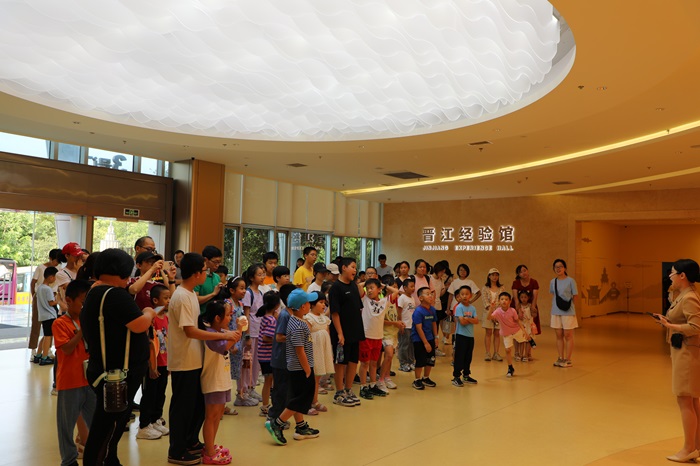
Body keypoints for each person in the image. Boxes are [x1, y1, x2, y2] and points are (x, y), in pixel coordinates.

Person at [80, 248, 155, 466]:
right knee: (107, 425)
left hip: (107, 369)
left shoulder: (96, 291)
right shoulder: (114, 295)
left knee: (111, 423)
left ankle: (110, 460)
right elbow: (139, 324)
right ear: (122, 271)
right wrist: (149, 312)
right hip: (116, 374)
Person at [167, 252, 239, 466]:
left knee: (196, 405)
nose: (207, 274)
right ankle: (177, 450)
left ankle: (190, 441)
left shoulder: (190, 294)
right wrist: (224, 335)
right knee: (182, 407)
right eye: (205, 271)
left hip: (194, 359)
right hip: (184, 360)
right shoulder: (182, 296)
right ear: (196, 273)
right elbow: (190, 331)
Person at [655, 259, 700, 463]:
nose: (670, 276)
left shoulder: (689, 297)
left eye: (672, 273)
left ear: (682, 275)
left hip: (687, 354)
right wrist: (668, 321)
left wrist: (671, 326)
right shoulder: (683, 295)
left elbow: (696, 327)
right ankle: (696, 446)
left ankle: (688, 448)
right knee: (692, 400)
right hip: (684, 352)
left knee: (684, 399)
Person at [265, 289, 320, 446]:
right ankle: (277, 423)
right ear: (303, 306)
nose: (310, 304)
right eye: (308, 302)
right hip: (300, 368)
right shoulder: (297, 325)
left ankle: (301, 426)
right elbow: (299, 350)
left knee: (297, 397)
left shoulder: (296, 321)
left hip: (298, 367)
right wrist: (307, 369)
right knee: (301, 398)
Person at [53, 279, 94, 466]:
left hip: (90, 380)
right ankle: (69, 460)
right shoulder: (60, 323)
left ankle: (96, 455)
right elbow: (67, 349)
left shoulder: (91, 321)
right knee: (66, 426)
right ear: (68, 300)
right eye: (83, 302)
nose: (85, 307)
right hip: (70, 381)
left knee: (95, 422)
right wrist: (82, 330)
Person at [199, 300, 241, 465]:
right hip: (213, 381)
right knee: (211, 416)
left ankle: (210, 446)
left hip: (222, 380)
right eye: (228, 315)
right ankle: (209, 453)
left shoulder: (221, 331)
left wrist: (236, 332)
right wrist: (238, 331)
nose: (231, 318)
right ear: (217, 318)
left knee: (219, 414)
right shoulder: (210, 334)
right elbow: (224, 347)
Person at [136, 284, 171, 440]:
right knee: (149, 394)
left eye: (169, 298)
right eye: (166, 298)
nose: (169, 301)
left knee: (160, 393)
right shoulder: (151, 319)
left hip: (164, 363)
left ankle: (156, 419)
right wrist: (151, 366)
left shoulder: (166, 318)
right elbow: (150, 344)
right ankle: (144, 425)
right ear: (155, 300)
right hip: (153, 364)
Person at [329, 257, 364, 408]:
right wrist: (340, 333)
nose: (355, 270)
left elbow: (358, 307)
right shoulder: (336, 288)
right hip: (342, 331)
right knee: (340, 362)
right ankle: (339, 393)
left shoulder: (354, 286)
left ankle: (348, 390)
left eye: (356, 268)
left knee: (353, 361)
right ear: (343, 268)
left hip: (355, 330)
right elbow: (335, 313)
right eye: (352, 267)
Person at [358, 278, 398, 400]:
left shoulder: (384, 301)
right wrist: (368, 282)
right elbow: (359, 286)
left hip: (378, 337)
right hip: (366, 336)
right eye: (368, 288)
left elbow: (396, 291)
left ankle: (373, 384)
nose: (369, 290)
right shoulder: (365, 299)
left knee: (374, 363)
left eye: (372, 288)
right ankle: (363, 387)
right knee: (365, 363)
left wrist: (382, 285)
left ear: (379, 289)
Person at [267, 284, 297, 425]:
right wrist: (295, 337)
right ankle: (274, 417)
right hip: (280, 359)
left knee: (286, 389)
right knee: (280, 389)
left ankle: (280, 417)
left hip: (288, 359)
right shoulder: (285, 315)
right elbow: (279, 337)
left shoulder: (292, 314)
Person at [487, 292, 537, 378]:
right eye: (502, 299)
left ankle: (530, 339)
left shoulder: (512, 311)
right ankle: (510, 368)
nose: (504, 301)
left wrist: (524, 331)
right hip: (506, 333)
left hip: (516, 330)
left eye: (506, 299)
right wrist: (491, 308)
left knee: (524, 339)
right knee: (507, 350)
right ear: (499, 301)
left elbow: (518, 321)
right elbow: (489, 318)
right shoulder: (497, 311)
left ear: (510, 301)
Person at [29, 248, 62, 361]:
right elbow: (33, 282)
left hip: (52, 295)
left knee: (50, 328)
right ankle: (33, 349)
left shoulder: (58, 269)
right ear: (51, 258)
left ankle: (47, 350)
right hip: (41, 296)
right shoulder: (41, 268)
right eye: (56, 260)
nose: (57, 263)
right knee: (36, 323)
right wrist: (34, 295)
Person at [304, 291, 333, 414]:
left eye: (324, 303)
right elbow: (306, 337)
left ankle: (314, 401)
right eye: (320, 302)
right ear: (312, 304)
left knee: (317, 377)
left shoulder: (324, 318)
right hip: (313, 352)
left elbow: (327, 333)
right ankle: (306, 403)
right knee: (310, 379)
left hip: (322, 351)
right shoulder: (308, 318)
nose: (323, 305)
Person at [242, 263, 266, 403]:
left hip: (259, 332)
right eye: (259, 274)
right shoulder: (248, 293)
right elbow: (246, 315)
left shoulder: (260, 293)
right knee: (247, 362)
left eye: (263, 274)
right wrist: (247, 335)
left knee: (256, 363)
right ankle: (243, 390)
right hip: (251, 332)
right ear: (251, 277)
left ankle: (251, 387)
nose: (262, 277)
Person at [550, 259, 578, 368]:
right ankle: (560, 358)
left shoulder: (571, 281)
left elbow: (575, 296)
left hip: (568, 312)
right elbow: (553, 295)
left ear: (565, 268)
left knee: (568, 335)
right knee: (559, 335)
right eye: (556, 267)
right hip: (556, 311)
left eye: (560, 266)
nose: (558, 269)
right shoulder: (553, 281)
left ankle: (568, 359)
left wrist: (572, 307)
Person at [257, 291, 281, 417]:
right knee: (269, 381)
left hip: (264, 355)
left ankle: (266, 405)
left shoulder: (267, 317)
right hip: (267, 355)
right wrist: (279, 340)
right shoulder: (271, 320)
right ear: (277, 305)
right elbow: (267, 337)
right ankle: (266, 406)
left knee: (269, 381)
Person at [411, 287, 438, 390]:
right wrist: (425, 343)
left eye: (431, 294)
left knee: (430, 359)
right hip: (419, 339)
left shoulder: (432, 309)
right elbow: (419, 328)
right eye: (427, 294)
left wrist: (436, 337)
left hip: (430, 337)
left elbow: (434, 323)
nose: (430, 296)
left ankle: (426, 378)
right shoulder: (418, 311)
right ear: (421, 298)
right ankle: (417, 379)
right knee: (420, 360)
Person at [379, 275, 403, 391]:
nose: (396, 289)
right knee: (388, 354)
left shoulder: (395, 301)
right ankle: (381, 380)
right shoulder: (384, 301)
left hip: (393, 333)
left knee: (390, 356)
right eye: (393, 286)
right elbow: (380, 320)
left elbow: (395, 316)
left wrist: (399, 323)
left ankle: (387, 377)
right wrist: (395, 323)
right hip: (385, 333)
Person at [452, 285, 478, 387]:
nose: (464, 296)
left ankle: (466, 375)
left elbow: (476, 321)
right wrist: (470, 319)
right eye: (462, 294)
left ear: (470, 295)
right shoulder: (459, 307)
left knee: (468, 356)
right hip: (460, 335)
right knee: (459, 356)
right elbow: (462, 322)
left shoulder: (473, 308)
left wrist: (467, 319)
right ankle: (456, 377)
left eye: (466, 294)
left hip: (470, 336)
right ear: (459, 296)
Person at [481, 268, 504, 362]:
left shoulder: (501, 288)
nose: (495, 277)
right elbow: (485, 302)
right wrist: (491, 313)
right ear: (489, 276)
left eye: (496, 275)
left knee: (497, 333)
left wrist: (497, 313)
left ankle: (496, 353)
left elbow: (502, 300)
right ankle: (487, 353)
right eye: (493, 275)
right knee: (488, 332)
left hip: (499, 313)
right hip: (488, 313)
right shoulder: (485, 288)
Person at [36, 266, 58, 366]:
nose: (55, 279)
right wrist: (58, 300)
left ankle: (38, 355)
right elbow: (51, 302)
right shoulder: (48, 289)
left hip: (43, 315)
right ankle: (44, 357)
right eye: (55, 277)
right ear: (50, 277)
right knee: (48, 336)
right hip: (50, 315)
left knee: (45, 336)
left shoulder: (40, 288)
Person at [194, 246, 225, 314]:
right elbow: (195, 300)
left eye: (219, 262)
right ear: (206, 260)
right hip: (201, 316)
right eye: (215, 262)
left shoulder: (217, 277)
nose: (217, 265)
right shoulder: (198, 277)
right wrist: (213, 294)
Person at [512, 264, 541, 335]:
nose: (523, 273)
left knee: (530, 324)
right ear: (518, 274)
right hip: (518, 305)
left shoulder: (534, 282)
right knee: (517, 326)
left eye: (524, 270)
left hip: (530, 305)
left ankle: (530, 338)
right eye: (520, 272)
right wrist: (519, 310)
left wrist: (533, 307)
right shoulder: (516, 283)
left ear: (527, 271)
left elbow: (535, 297)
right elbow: (516, 298)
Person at [397, 278, 417, 372]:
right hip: (405, 326)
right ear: (405, 288)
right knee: (404, 345)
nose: (413, 288)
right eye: (411, 286)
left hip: (412, 325)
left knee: (411, 345)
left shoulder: (412, 298)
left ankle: (410, 361)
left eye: (414, 286)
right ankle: (403, 363)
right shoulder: (402, 298)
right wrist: (400, 323)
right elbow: (399, 311)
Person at [516, 290, 535, 362]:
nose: (523, 299)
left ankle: (526, 355)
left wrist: (534, 311)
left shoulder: (530, 306)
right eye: (522, 297)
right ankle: (520, 354)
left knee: (528, 340)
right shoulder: (519, 307)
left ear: (528, 297)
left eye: (525, 297)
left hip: (528, 325)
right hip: (521, 325)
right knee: (521, 340)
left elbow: (534, 315)